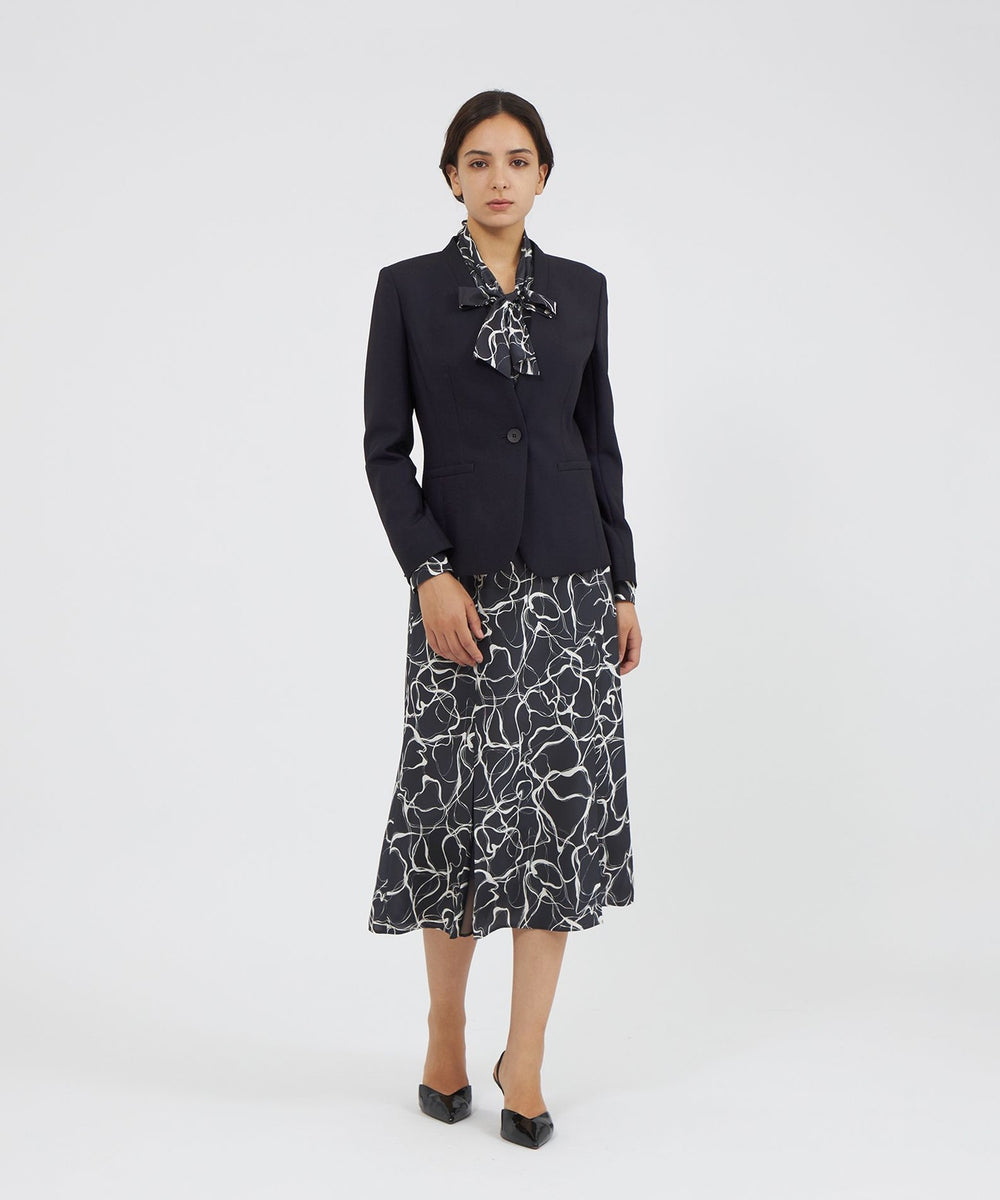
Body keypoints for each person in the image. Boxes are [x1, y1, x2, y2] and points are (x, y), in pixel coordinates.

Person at [362, 89, 642, 1150]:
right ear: (451, 176)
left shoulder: (583, 291)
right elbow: (384, 449)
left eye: (517, 160)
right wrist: (428, 572)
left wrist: (622, 584)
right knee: (454, 809)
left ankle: (524, 1057)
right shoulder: (408, 290)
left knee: (553, 826)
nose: (497, 177)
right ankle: (447, 1030)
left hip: (571, 585)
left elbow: (596, 441)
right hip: (463, 590)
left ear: (542, 176)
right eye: (477, 160)